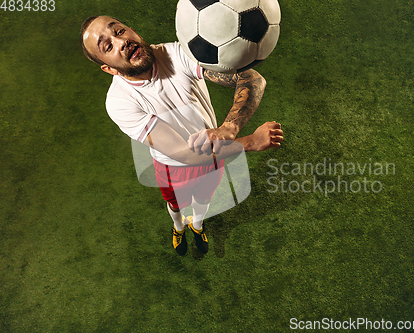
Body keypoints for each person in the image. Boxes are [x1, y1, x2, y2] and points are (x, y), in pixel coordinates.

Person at [80, 16, 283, 255]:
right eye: (108, 46)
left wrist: (229, 128)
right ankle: (178, 227)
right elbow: (186, 155)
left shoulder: (179, 53)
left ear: (133, 31)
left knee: (205, 198)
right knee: (176, 205)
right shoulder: (119, 103)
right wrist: (251, 141)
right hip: (172, 166)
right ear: (109, 68)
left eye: (120, 30)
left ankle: (197, 226)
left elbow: (252, 79)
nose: (121, 41)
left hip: (215, 154)